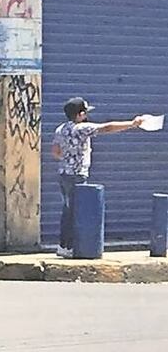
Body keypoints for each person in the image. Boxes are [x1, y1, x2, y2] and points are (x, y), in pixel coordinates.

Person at [51, 97, 141, 258]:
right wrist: (132, 124)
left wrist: (69, 155)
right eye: (85, 113)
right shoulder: (81, 128)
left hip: (64, 174)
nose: (86, 116)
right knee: (75, 211)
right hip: (77, 176)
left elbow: (56, 153)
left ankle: (63, 245)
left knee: (67, 210)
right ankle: (68, 247)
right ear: (79, 114)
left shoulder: (60, 129)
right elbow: (107, 127)